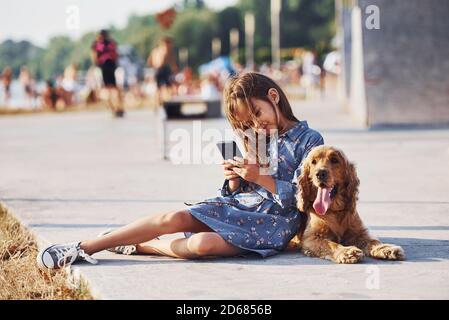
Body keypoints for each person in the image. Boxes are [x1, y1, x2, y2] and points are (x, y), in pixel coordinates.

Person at [36, 72, 325, 269]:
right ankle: (84, 247)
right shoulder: (257, 139)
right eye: (248, 122)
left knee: (201, 245)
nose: (256, 125)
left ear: (273, 96)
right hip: (240, 208)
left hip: (274, 224)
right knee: (173, 217)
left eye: (257, 114)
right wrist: (235, 180)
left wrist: (260, 178)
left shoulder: (311, 140)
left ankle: (142, 246)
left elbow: (307, 198)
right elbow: (244, 192)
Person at [91, 29, 124, 117]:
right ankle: (119, 107)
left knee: (108, 89)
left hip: (103, 68)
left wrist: (96, 65)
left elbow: (94, 57)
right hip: (112, 67)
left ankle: (113, 108)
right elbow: (116, 55)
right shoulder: (111, 43)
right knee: (115, 88)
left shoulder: (96, 44)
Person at [147, 37, 177, 105]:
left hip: (158, 70)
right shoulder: (165, 50)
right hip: (163, 69)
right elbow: (172, 62)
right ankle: (168, 102)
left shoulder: (155, 50)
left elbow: (149, 62)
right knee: (167, 87)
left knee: (160, 88)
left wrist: (154, 66)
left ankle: (160, 102)